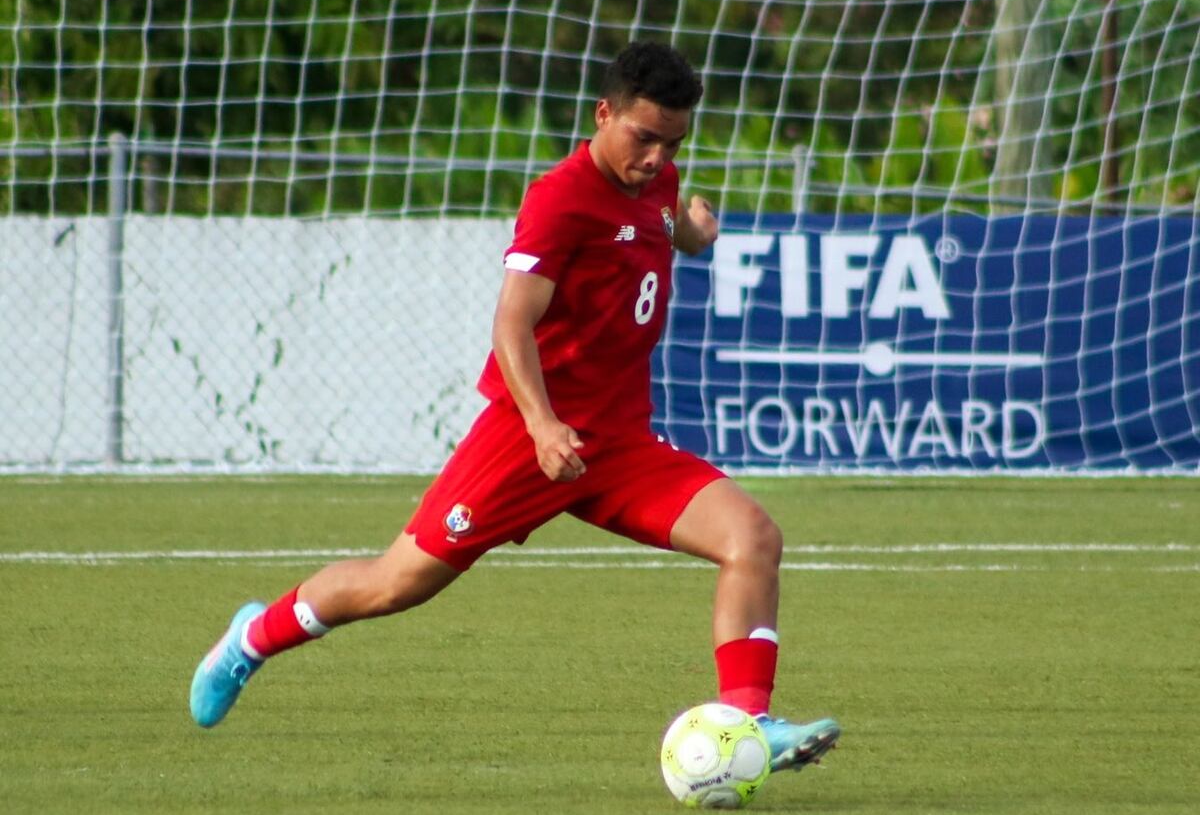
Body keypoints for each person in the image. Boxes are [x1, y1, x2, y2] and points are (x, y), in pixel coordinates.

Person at [190, 41, 840, 773]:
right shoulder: (559, 199)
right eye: (644, 138)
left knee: (753, 537)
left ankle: (751, 725)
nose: (657, 157)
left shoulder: (657, 181)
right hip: (525, 438)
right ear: (604, 113)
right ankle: (253, 637)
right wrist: (541, 424)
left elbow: (667, 225)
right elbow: (510, 325)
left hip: (618, 446)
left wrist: (695, 230)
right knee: (395, 582)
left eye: (672, 143)